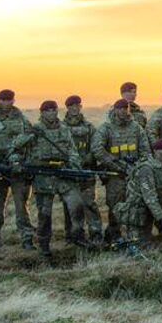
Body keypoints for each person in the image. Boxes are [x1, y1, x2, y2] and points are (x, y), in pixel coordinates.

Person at [7, 99, 88, 262]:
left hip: (63, 174)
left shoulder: (64, 129)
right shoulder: (34, 129)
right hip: (43, 177)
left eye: (54, 110)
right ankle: (44, 245)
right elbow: (15, 147)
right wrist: (29, 135)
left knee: (77, 205)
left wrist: (74, 164)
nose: (51, 113)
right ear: (42, 112)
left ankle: (78, 238)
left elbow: (72, 150)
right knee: (45, 214)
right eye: (48, 110)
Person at [95, 99, 151, 240]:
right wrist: (115, 164)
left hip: (134, 175)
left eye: (125, 108)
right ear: (114, 110)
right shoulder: (106, 128)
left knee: (137, 206)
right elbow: (97, 149)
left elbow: (145, 150)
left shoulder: (136, 128)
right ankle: (114, 237)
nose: (123, 111)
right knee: (115, 207)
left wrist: (138, 167)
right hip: (115, 176)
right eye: (120, 108)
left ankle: (136, 237)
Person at [0, 89, 32, 252]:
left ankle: (27, 238)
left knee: (22, 207)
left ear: (13, 100)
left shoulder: (23, 121)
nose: (6, 102)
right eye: (3, 99)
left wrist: (20, 161)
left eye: (9, 99)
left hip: (18, 170)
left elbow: (30, 142)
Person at [116, 139, 162, 245]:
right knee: (139, 245)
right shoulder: (146, 169)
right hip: (139, 211)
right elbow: (150, 198)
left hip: (156, 207)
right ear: (156, 152)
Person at [60, 96, 103, 242]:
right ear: (67, 107)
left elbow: (96, 146)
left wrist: (88, 159)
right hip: (69, 173)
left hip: (86, 172)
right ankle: (72, 236)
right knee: (70, 206)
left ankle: (96, 234)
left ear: (80, 107)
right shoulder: (61, 127)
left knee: (89, 204)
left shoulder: (89, 127)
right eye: (71, 105)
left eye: (77, 105)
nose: (74, 108)